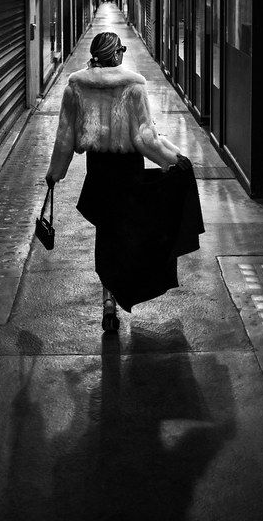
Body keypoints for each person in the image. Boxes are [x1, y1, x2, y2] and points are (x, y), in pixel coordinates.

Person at [45, 30, 189, 332]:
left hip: (99, 172)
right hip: (128, 171)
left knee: (106, 234)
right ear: (117, 54)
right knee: (127, 235)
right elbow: (145, 138)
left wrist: (55, 174)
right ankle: (122, 290)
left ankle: (108, 299)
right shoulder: (132, 85)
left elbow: (65, 138)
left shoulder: (76, 86)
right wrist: (174, 161)